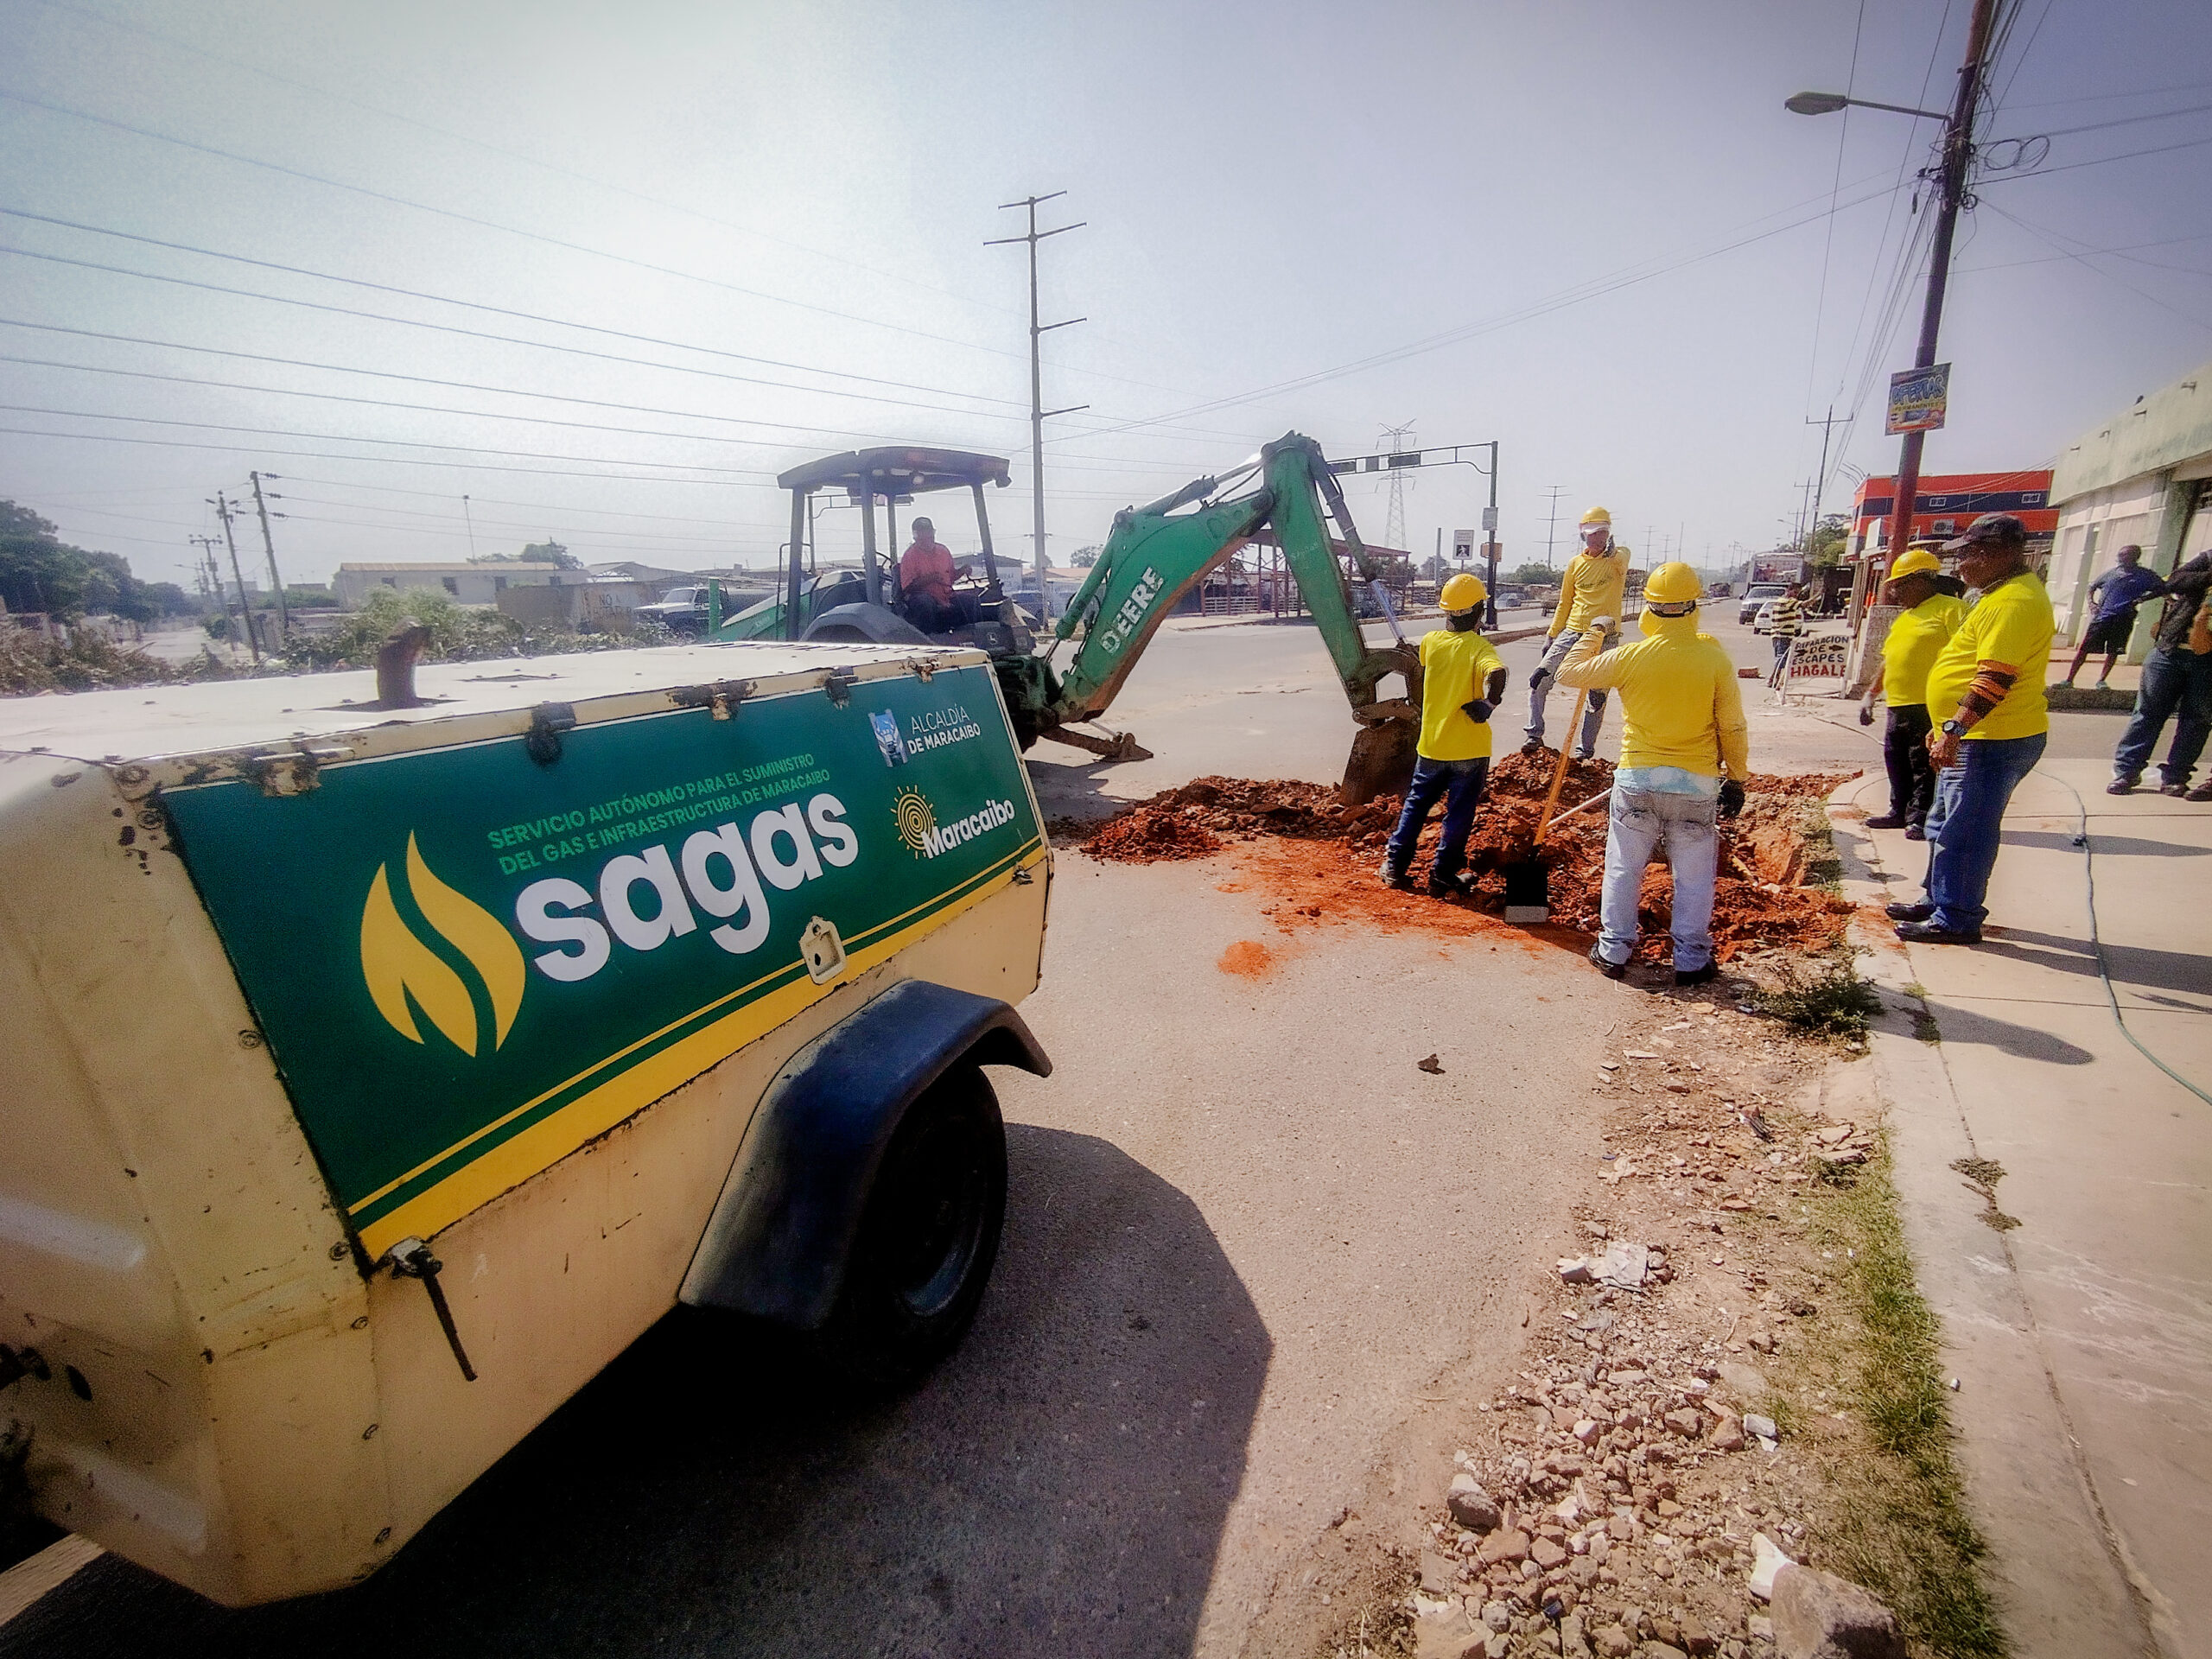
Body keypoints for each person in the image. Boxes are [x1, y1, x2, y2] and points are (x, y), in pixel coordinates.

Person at [1554, 561, 1751, 987]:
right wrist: (1737, 777)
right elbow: (1732, 725)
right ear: (1693, 604)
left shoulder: (1630, 656)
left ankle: (1613, 951)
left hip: (1637, 781)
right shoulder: (1714, 659)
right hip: (1696, 784)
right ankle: (1691, 961)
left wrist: (1595, 630)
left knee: (1624, 868)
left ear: (1649, 607)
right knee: (1694, 876)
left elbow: (1568, 673)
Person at [1888, 513, 2056, 945]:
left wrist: (1955, 730)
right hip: (1974, 735)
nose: (1959, 566)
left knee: (1965, 831)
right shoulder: (1998, 595)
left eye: (1965, 556)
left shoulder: (2013, 603)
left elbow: (1995, 678)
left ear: (1992, 553)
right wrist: (1946, 724)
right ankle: (1938, 898)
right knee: (1943, 822)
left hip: (1990, 738)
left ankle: (1957, 917)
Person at [1382, 572, 1509, 897]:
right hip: (1469, 749)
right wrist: (1489, 703)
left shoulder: (1431, 642)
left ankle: (1395, 867)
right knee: (1459, 813)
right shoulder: (1480, 647)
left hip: (1432, 745)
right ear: (1479, 611)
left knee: (1416, 805)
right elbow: (1497, 673)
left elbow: (1428, 663)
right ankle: (1442, 875)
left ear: (1447, 612)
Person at [1859, 548, 1966, 838]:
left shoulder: (1951, 609)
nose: (1894, 592)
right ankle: (1899, 810)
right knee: (1896, 760)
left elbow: (1969, 654)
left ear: (1922, 580)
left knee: (1923, 763)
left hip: (1928, 704)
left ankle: (1920, 817)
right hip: (1898, 703)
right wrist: (1871, 694)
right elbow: (1889, 659)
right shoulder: (1906, 617)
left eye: (1898, 585)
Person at [1523, 506, 1628, 760]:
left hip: (1606, 635)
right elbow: (1565, 602)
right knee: (1538, 680)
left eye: (1602, 533)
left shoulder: (1619, 556)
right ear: (1583, 536)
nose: (1597, 539)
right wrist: (1552, 635)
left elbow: (1620, 561)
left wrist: (1611, 553)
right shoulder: (1575, 564)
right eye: (1592, 534)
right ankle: (1534, 734)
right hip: (1573, 631)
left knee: (1597, 695)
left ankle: (1585, 751)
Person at [2109, 544, 2212, 798]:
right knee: (2147, 713)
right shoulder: (2209, 557)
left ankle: (2176, 777)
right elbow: (2175, 581)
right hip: (2170, 649)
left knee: (2196, 720)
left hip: (2208, 658)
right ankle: (2126, 772)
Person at [2063, 544, 2163, 690]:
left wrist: (2141, 599)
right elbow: (2092, 587)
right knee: (2084, 649)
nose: (2121, 558)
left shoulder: (2144, 575)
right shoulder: (2111, 574)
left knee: (2114, 651)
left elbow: (2162, 588)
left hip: (2123, 618)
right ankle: (2069, 679)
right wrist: (2092, 603)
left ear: (2135, 557)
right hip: (2102, 617)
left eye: (2125, 555)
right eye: (2120, 555)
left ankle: (2101, 680)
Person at [897, 518, 963, 632]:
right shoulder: (910, 556)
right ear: (916, 536)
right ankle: (930, 637)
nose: (927, 536)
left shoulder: (943, 551)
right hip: (923, 597)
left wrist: (962, 571)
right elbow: (908, 588)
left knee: (971, 601)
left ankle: (969, 637)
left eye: (929, 532)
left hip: (946, 596)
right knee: (925, 603)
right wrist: (928, 579)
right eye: (923, 533)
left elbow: (950, 578)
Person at [1764, 583, 1804, 688]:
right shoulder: (1789, 602)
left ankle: (1775, 679)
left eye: (1798, 593)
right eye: (1795, 592)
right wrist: (1818, 595)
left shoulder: (1779, 601)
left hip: (1776, 634)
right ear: (1788, 590)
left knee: (1779, 657)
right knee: (1782, 658)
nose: (1796, 595)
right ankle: (1773, 679)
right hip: (1784, 635)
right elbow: (1805, 605)